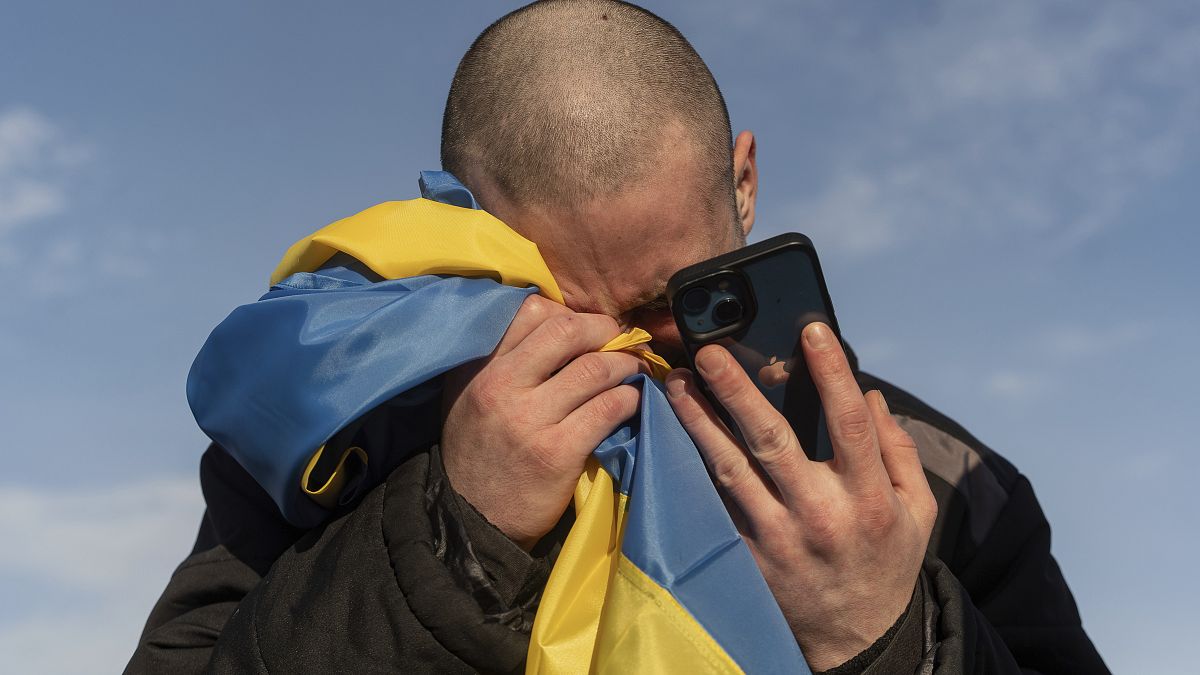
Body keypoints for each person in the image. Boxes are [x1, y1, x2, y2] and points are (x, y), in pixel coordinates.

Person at [127, 1, 1108, 673]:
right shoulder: (351, 434)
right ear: (474, 231)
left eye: (671, 299)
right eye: (562, 310)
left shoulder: (951, 487)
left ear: (744, 183)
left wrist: (884, 638)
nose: (628, 357)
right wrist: (451, 535)